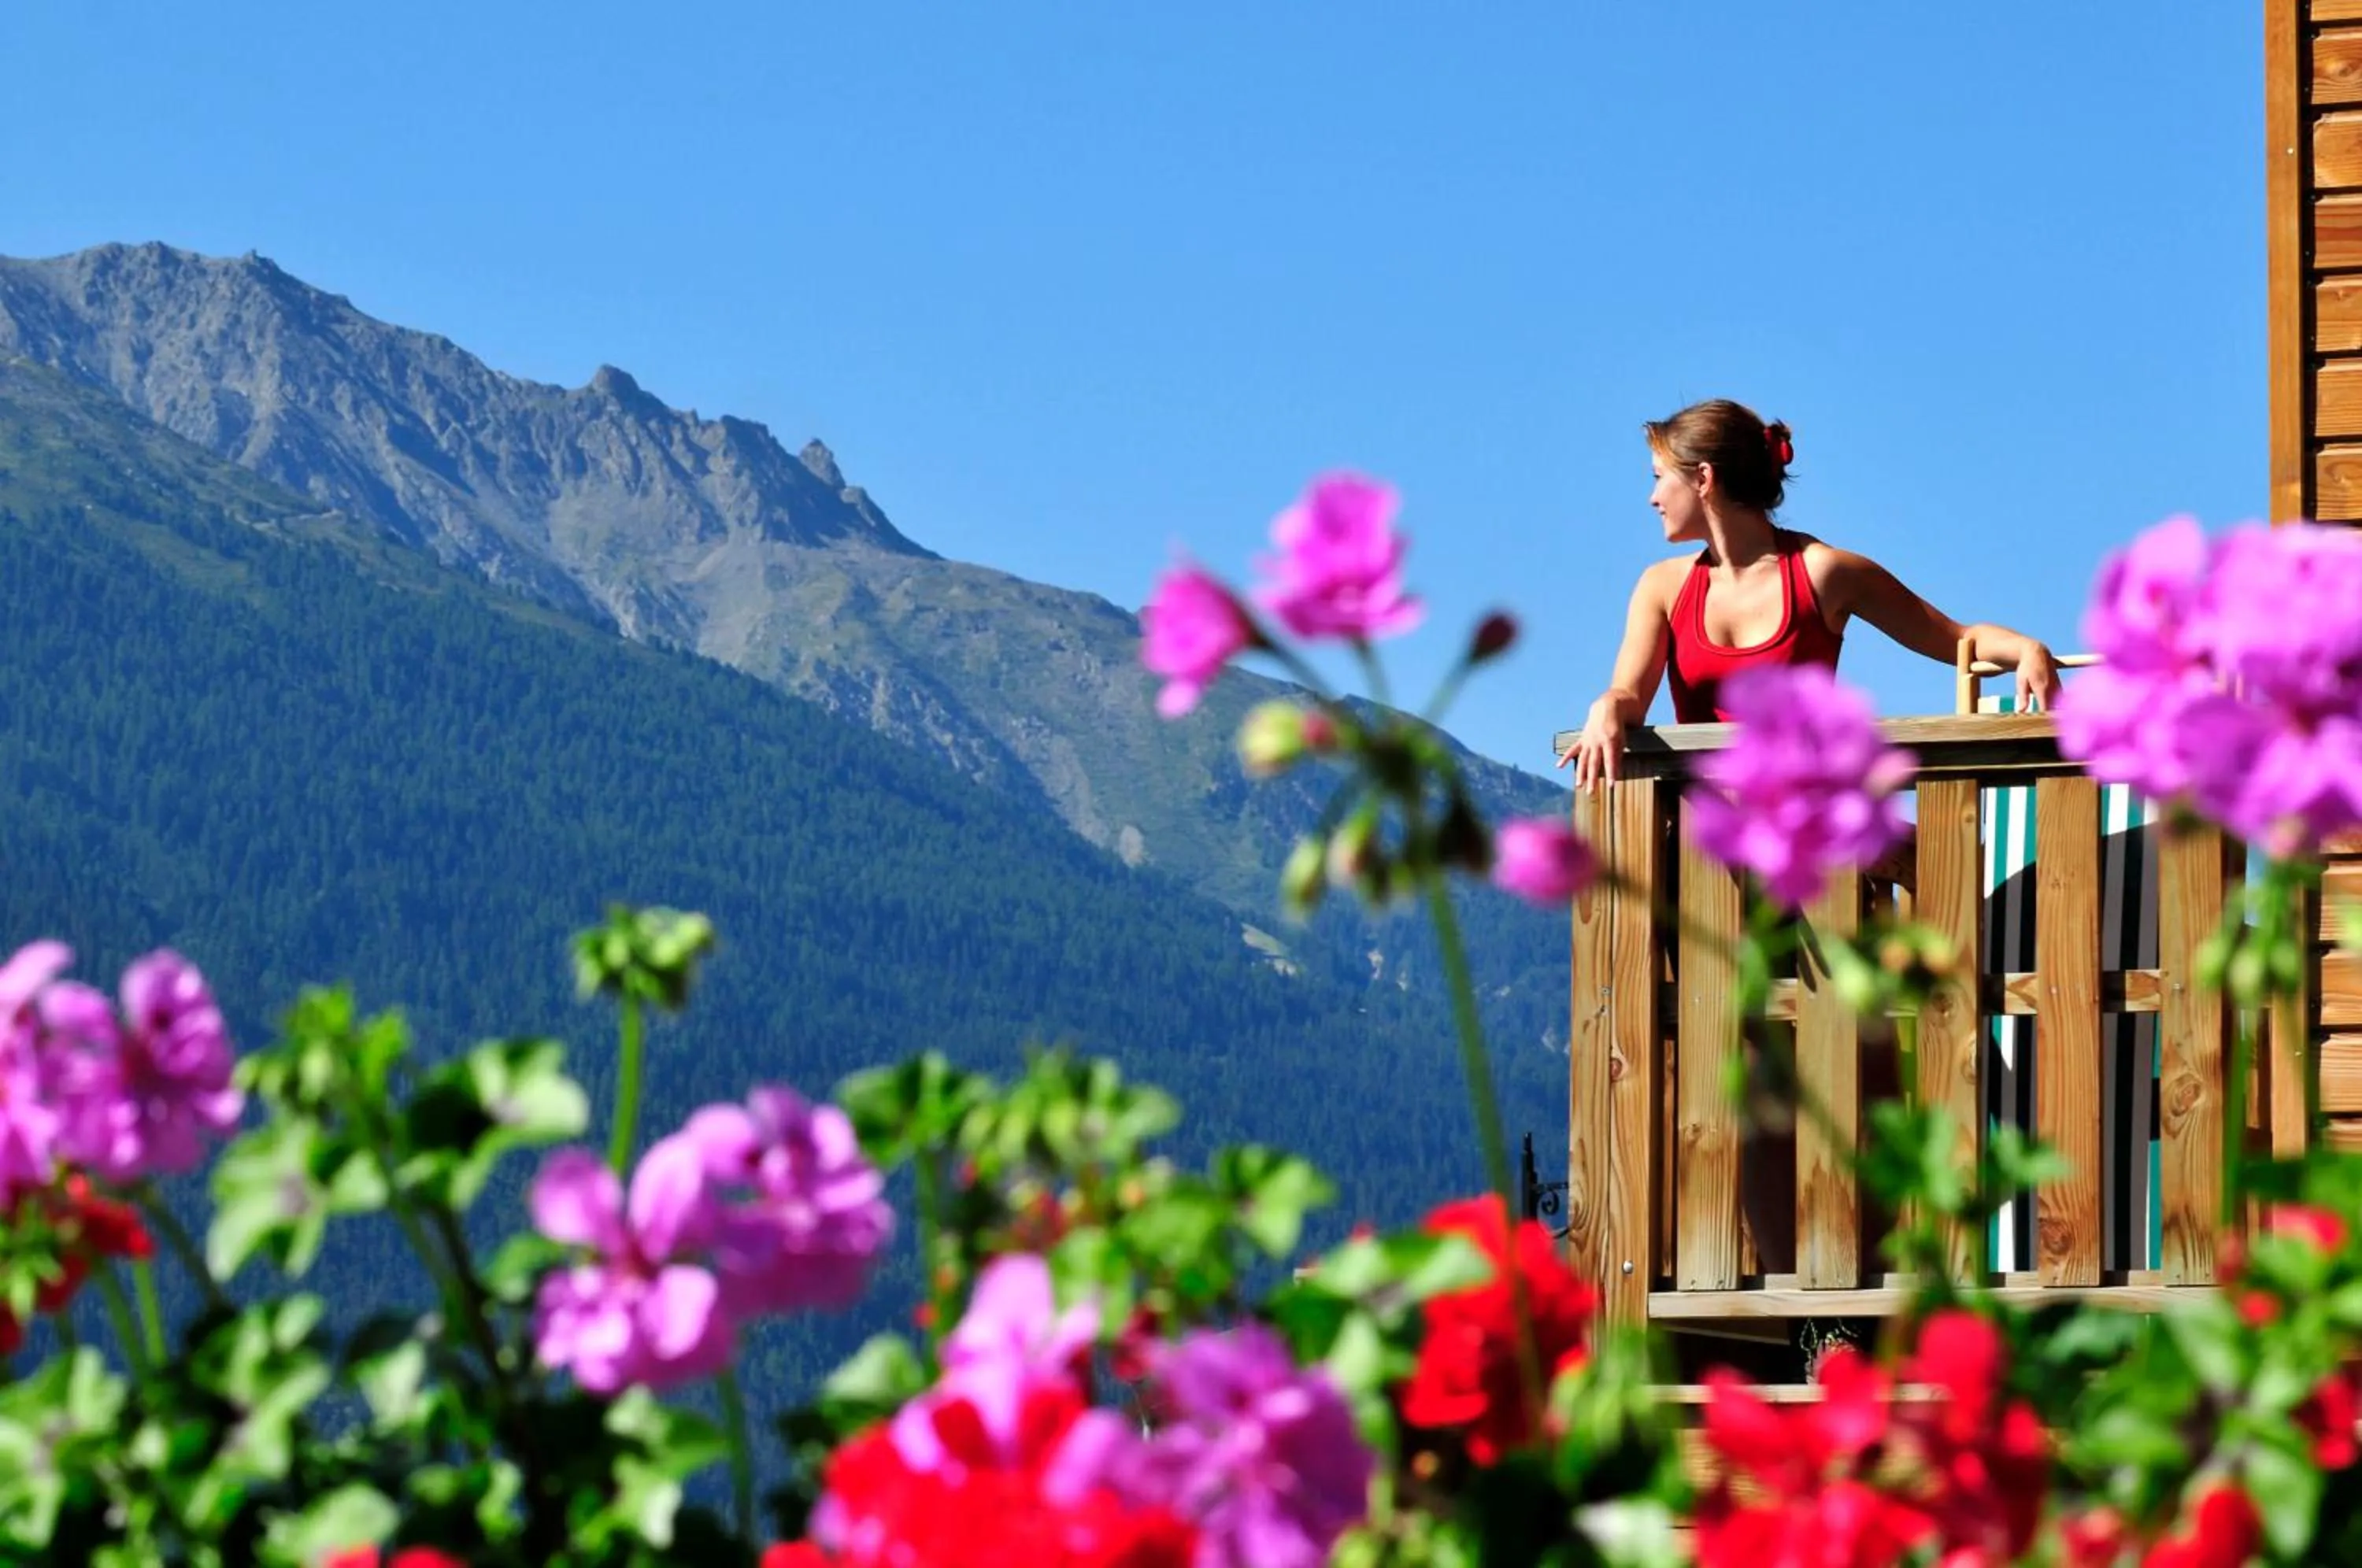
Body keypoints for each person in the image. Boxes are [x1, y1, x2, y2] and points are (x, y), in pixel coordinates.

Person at [1557, 399, 2060, 792]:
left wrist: (2026, 650)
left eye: (1658, 478)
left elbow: (1956, 638)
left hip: (1803, 843)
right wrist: (1606, 706)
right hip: (1701, 854)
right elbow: (1630, 695)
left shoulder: (1824, 573)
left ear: (1703, 479)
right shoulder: (1661, 588)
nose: (1652, 498)